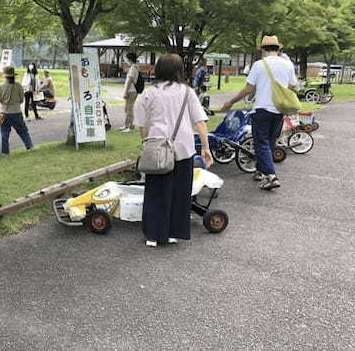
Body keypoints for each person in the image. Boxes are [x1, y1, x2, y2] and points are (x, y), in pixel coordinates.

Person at [134, 53, 213, 248]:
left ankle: (153, 234)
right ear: (179, 71)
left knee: (155, 192)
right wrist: (205, 147)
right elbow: (199, 122)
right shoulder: (187, 92)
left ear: (158, 69)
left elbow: (142, 126)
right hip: (183, 150)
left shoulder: (148, 94)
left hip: (157, 149)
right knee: (179, 193)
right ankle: (173, 233)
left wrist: (147, 141)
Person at [223, 35, 298, 190]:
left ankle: (271, 176)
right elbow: (293, 86)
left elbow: (249, 89)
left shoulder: (259, 65)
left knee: (261, 143)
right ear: (278, 49)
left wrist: (230, 102)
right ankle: (259, 171)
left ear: (263, 49)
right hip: (279, 110)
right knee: (269, 142)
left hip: (262, 109)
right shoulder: (288, 65)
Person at [0, 66, 34, 155]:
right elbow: (21, 100)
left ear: (5, 76)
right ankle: (29, 146)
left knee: (4, 133)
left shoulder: (1, 86)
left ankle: (5, 152)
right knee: (23, 131)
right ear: (14, 75)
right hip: (16, 112)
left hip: (4, 112)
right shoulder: (18, 86)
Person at [121, 52, 140, 132]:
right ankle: (127, 125)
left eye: (126, 59)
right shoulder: (135, 67)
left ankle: (130, 126)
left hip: (131, 91)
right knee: (127, 108)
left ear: (130, 59)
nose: (126, 61)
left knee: (129, 109)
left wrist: (125, 92)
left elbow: (130, 81)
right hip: (132, 90)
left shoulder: (133, 68)